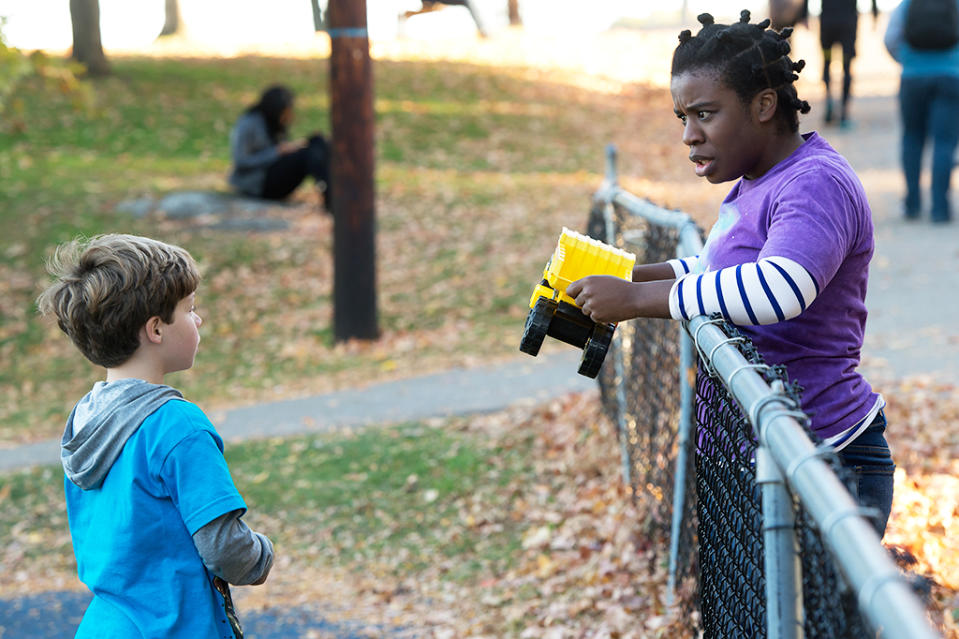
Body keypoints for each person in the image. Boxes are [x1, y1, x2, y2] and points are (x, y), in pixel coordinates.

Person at [567, 11, 894, 537]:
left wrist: (635, 300)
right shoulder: (755, 184)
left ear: (764, 105)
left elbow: (779, 288)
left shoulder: (814, 184)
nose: (689, 136)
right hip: (771, 453)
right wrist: (627, 274)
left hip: (827, 458)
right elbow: (719, 272)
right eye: (682, 119)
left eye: (705, 114)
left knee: (806, 621)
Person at [36, 234, 274, 638]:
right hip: (174, 626)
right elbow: (225, 550)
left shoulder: (84, 420)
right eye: (190, 309)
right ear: (156, 330)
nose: (198, 320)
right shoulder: (176, 426)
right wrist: (262, 553)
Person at [884, 0, 959, 224]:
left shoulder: (908, 4)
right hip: (950, 77)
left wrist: (907, 60)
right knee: (944, 142)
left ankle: (912, 204)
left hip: (912, 77)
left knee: (912, 138)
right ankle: (940, 208)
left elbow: (890, 39)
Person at [229, 84, 332, 211]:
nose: (290, 116)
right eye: (286, 112)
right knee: (307, 155)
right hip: (259, 184)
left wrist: (291, 148)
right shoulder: (249, 124)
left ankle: (334, 190)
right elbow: (241, 161)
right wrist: (276, 151)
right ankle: (330, 197)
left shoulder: (274, 124)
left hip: (275, 173)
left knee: (317, 141)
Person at [812, 0, 879, 128]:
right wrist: (874, 13)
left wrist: (803, 14)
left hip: (827, 22)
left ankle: (829, 100)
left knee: (826, 64)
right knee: (846, 68)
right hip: (847, 23)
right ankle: (843, 113)